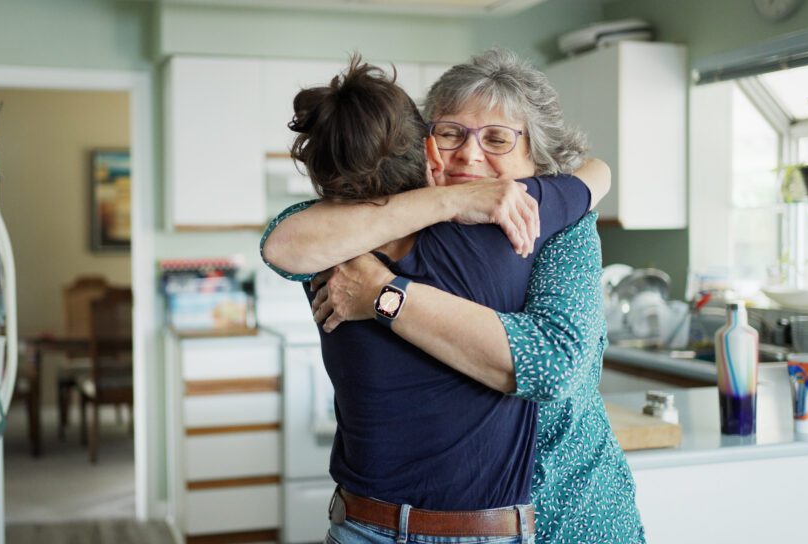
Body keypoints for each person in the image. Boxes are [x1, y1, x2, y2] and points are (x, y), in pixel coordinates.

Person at [262, 48, 645, 543]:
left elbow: (552, 364)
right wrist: (452, 199)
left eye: (497, 138)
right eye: (450, 132)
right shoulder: (358, 222)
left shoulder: (556, 227)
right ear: (424, 145)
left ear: (536, 160)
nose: (468, 154)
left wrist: (383, 293)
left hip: (565, 509)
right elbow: (282, 244)